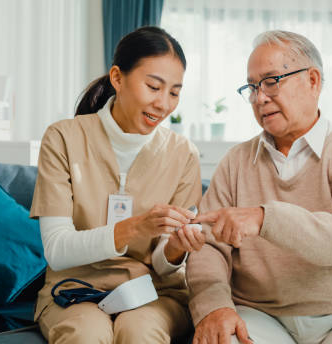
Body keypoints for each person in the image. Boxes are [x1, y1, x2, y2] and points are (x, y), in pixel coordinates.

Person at [187, 30, 332, 344]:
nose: (260, 97)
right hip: (262, 314)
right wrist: (214, 306)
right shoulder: (234, 162)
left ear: (313, 80)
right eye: (252, 87)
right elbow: (207, 246)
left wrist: (264, 219)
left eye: (272, 81)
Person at [29, 26, 205, 343]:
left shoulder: (183, 154)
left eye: (174, 92)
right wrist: (133, 229)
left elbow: (165, 266)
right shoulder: (63, 138)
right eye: (153, 87)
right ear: (117, 78)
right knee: (85, 334)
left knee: (140, 333)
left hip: (153, 292)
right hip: (75, 288)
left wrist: (177, 248)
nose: (163, 104)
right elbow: (56, 250)